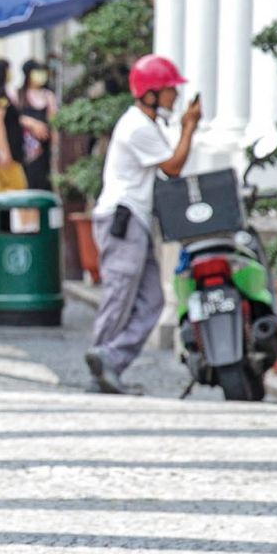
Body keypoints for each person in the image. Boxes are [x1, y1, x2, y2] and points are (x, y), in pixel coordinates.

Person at [85, 55, 202, 396]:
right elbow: (173, 167)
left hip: (135, 219)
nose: (175, 97)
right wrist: (189, 127)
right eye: (169, 90)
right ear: (151, 93)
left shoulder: (148, 124)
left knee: (151, 299)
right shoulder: (137, 126)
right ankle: (101, 365)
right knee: (120, 294)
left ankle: (109, 359)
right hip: (123, 219)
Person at [0, 59, 28, 193]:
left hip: (9, 151)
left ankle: (0, 215)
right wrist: (2, 151)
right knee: (20, 191)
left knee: (3, 191)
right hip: (8, 153)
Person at [20, 59, 58, 191]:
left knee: (42, 183)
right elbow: (12, 119)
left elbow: (53, 123)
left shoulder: (48, 96)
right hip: (23, 149)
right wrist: (31, 123)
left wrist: (55, 147)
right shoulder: (18, 95)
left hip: (43, 149)